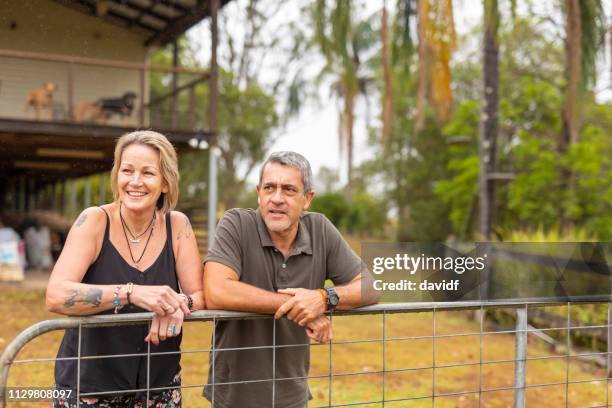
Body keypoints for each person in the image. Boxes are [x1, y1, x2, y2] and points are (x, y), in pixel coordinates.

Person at [203, 151, 378, 408]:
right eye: (269, 188)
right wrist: (301, 308)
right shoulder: (236, 223)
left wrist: (323, 298)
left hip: (292, 395)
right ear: (258, 193)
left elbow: (371, 286)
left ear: (307, 198)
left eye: (288, 190)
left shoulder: (320, 229)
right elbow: (217, 290)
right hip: (233, 396)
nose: (276, 199)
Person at [46, 130, 204, 408]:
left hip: (158, 388)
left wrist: (177, 304)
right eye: (127, 170)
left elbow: (200, 295)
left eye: (148, 173)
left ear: (166, 182)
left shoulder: (178, 225)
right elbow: (56, 294)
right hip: (90, 389)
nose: (135, 182)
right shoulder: (94, 221)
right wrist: (130, 293)